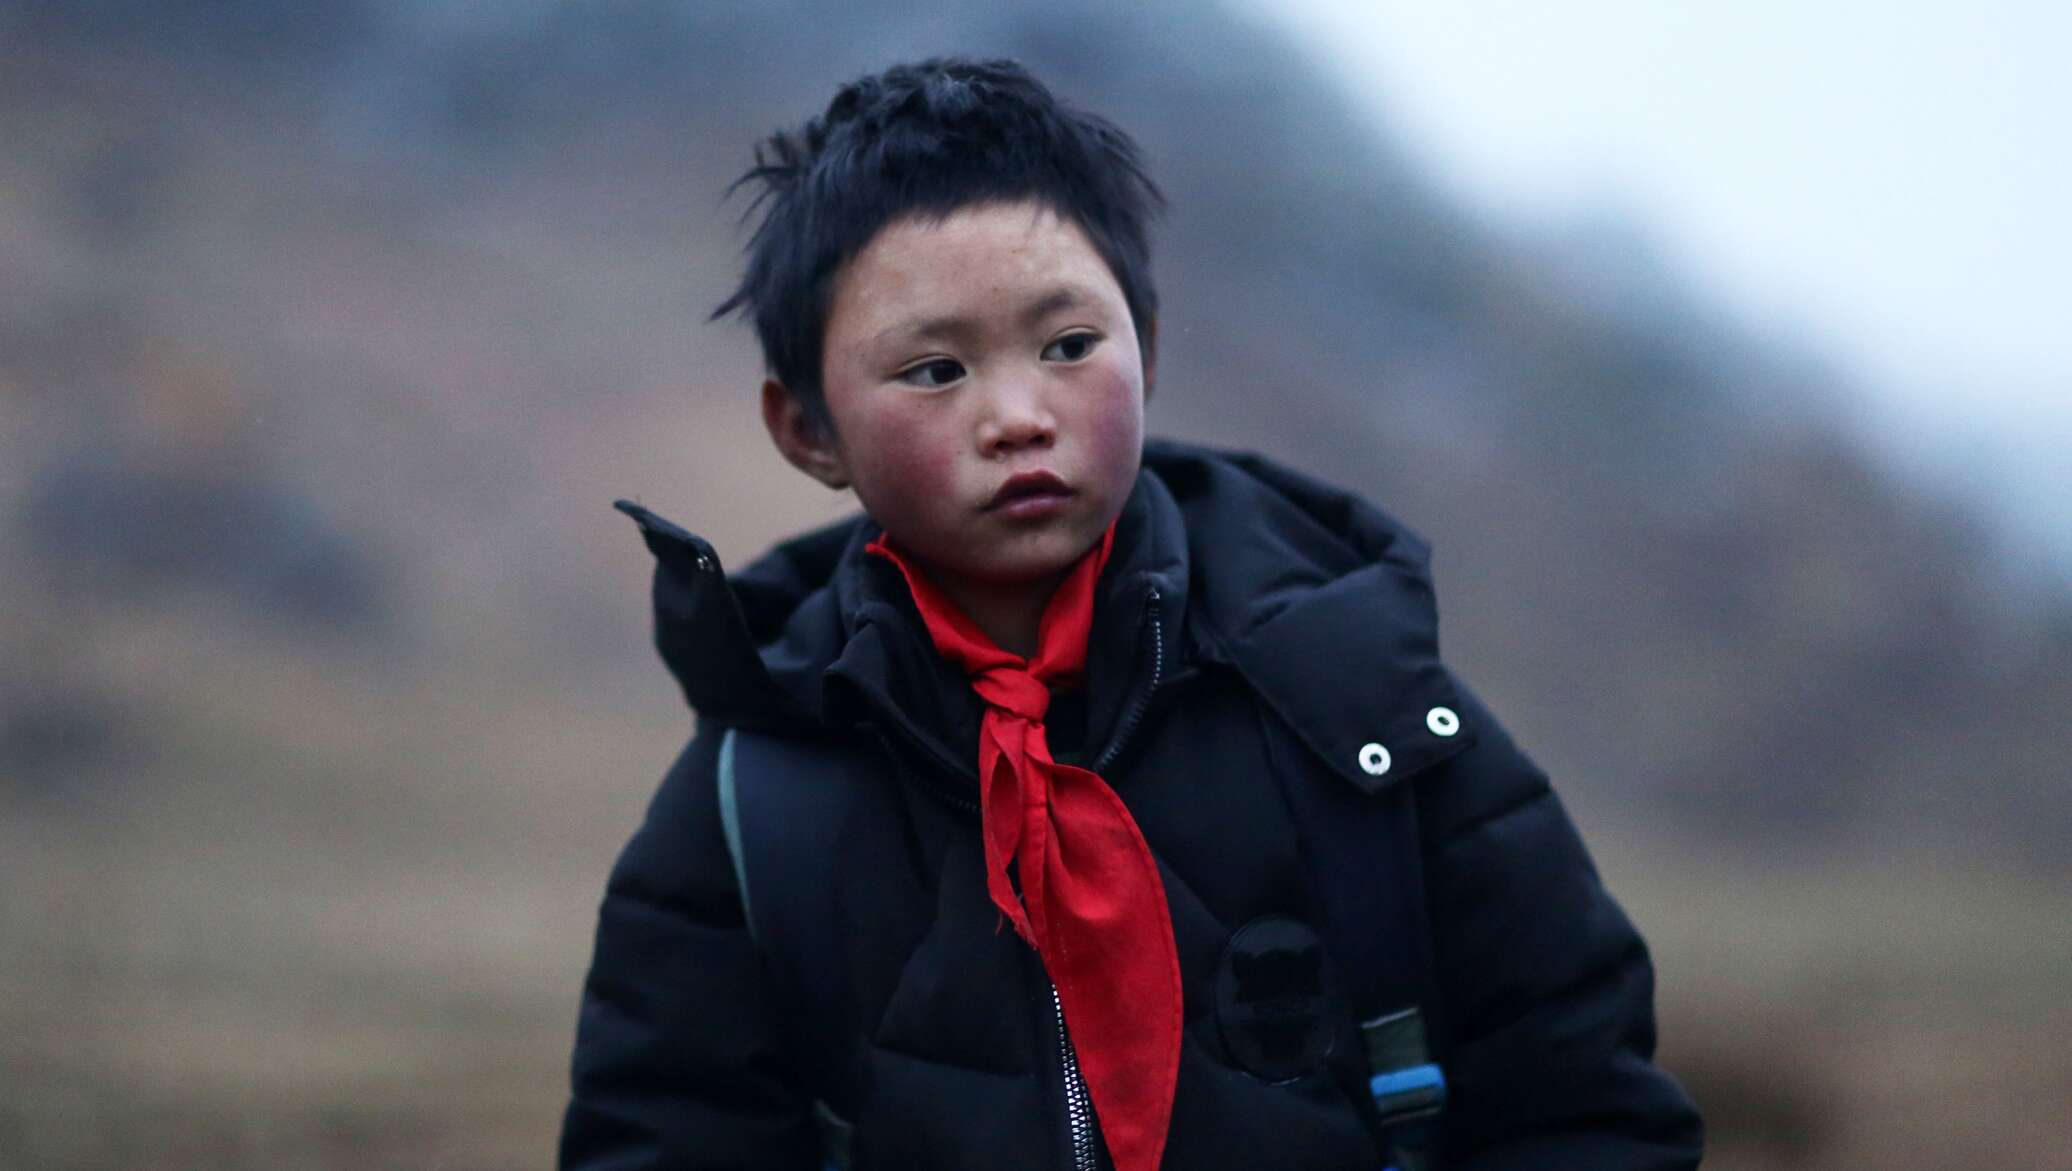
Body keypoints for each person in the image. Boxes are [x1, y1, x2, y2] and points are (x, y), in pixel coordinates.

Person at [558, 56, 1702, 1171]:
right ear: (808, 430)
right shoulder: (756, 806)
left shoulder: (1355, 708)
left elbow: (1583, 1100)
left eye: (1068, 347)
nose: (1018, 415)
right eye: (934, 371)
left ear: (1145, 349)